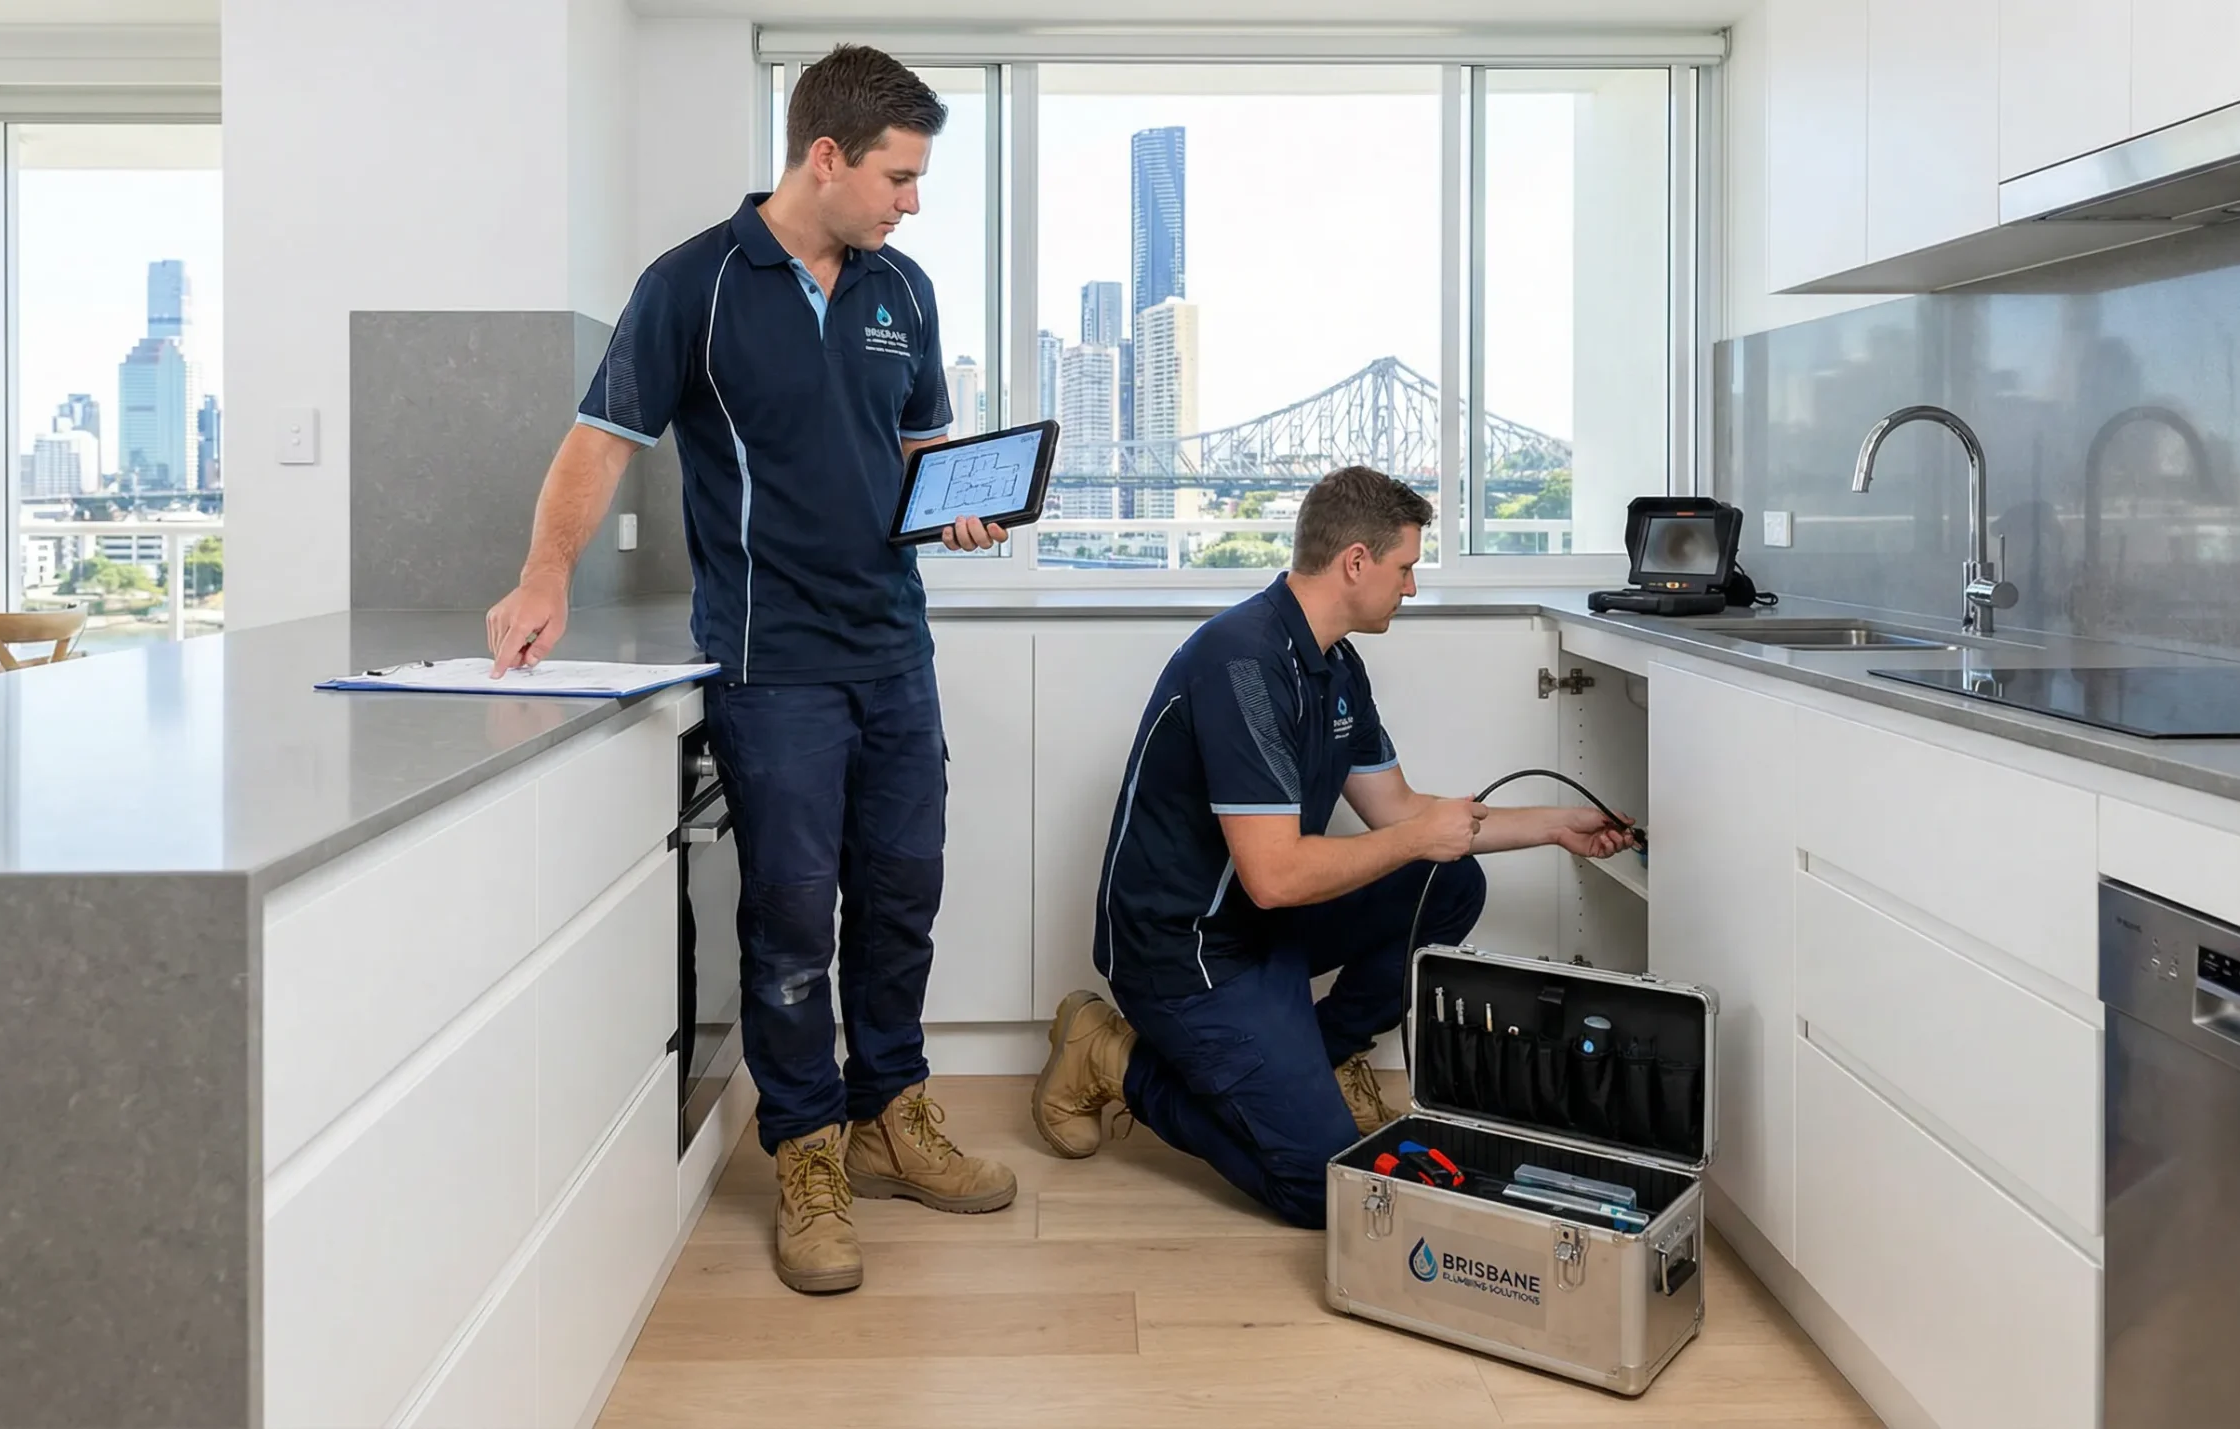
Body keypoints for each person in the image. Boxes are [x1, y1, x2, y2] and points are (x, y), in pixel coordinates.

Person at [484, 45, 1016, 1296]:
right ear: (822, 156)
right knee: (789, 917)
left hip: (894, 649)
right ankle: (807, 1152)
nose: (912, 200)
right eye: (897, 174)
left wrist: (956, 507)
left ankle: (895, 1113)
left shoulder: (906, 291)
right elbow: (601, 438)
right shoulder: (694, 285)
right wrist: (545, 575)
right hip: (770, 662)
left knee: (904, 892)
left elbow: (912, 450)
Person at [1029, 467, 1636, 1229]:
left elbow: (1403, 810)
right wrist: (1419, 835)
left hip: (1260, 926)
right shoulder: (1242, 666)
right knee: (1325, 1190)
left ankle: (1313, 1061)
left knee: (1449, 883)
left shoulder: (1336, 667)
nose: (1410, 587)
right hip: (1183, 951)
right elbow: (1279, 875)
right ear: (1356, 561)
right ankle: (1111, 1058)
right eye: (1406, 566)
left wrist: (1555, 825)